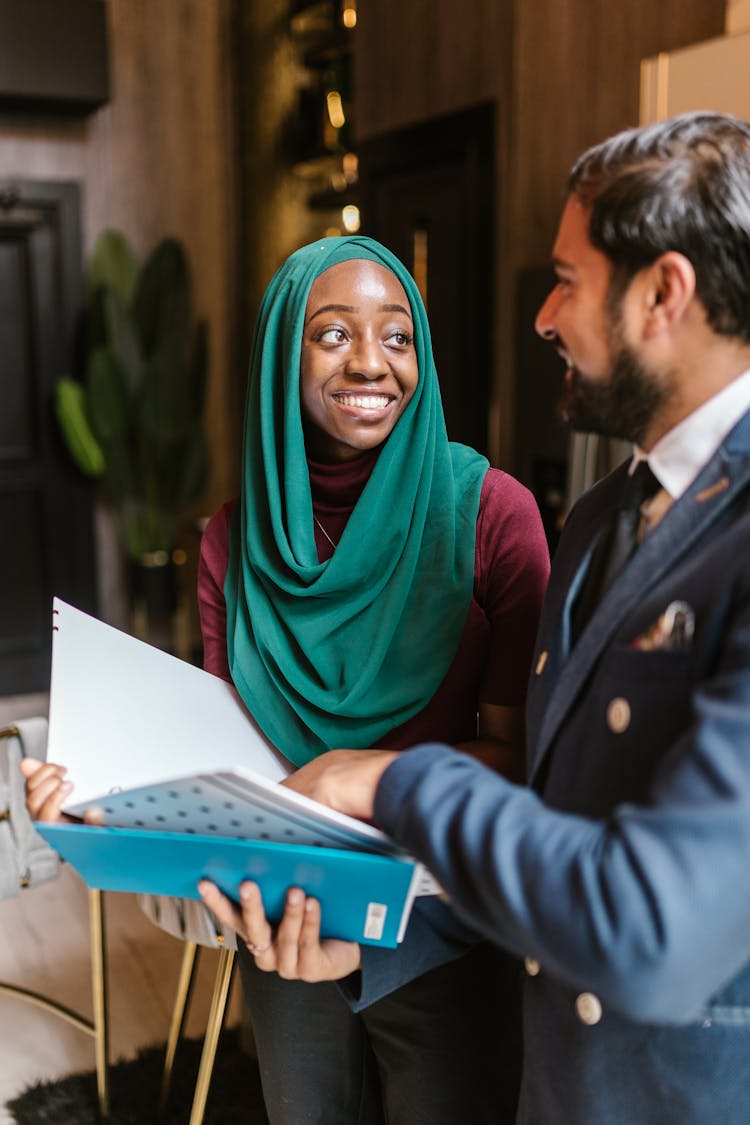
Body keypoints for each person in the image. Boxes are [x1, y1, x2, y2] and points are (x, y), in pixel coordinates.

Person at [201, 112, 750, 1124]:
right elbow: (558, 800)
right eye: (332, 335)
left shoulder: (505, 514)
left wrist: (392, 775)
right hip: (556, 1061)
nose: (543, 316)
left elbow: (659, 923)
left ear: (663, 294)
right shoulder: (597, 521)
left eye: (568, 280)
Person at [25, 235, 550, 1125]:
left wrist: (368, 787)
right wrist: (101, 803)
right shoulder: (234, 542)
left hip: (446, 926)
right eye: (334, 333)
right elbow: (231, 760)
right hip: (285, 924)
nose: (373, 363)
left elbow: (518, 760)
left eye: (398, 336)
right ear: (282, 354)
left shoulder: (492, 515)